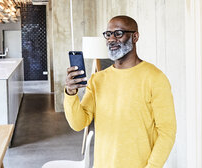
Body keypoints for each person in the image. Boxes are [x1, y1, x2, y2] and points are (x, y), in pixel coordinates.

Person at [64, 15, 176, 168]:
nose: (111, 39)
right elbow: (78, 123)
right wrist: (71, 93)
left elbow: (167, 132)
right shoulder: (97, 80)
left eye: (118, 33)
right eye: (108, 34)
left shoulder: (155, 78)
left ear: (135, 36)